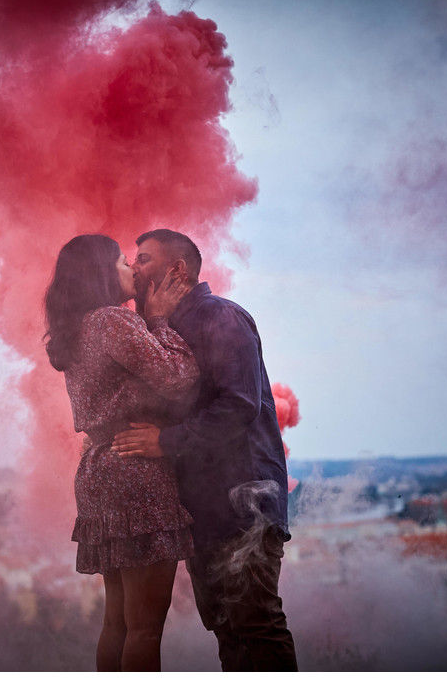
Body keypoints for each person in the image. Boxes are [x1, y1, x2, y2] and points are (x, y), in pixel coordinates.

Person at [112, 229, 299, 672]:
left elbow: (239, 404)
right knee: (228, 630)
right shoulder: (163, 327)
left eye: (144, 259)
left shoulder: (220, 316)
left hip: (242, 502)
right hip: (205, 509)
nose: (133, 268)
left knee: (255, 624)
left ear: (178, 269)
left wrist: (164, 441)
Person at [44, 234, 199, 672]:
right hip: (137, 473)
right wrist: (160, 321)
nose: (132, 269)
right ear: (100, 274)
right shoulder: (114, 321)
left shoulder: (77, 329)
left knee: (117, 622)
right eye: (122, 262)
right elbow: (179, 377)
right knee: (146, 626)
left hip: (99, 470)